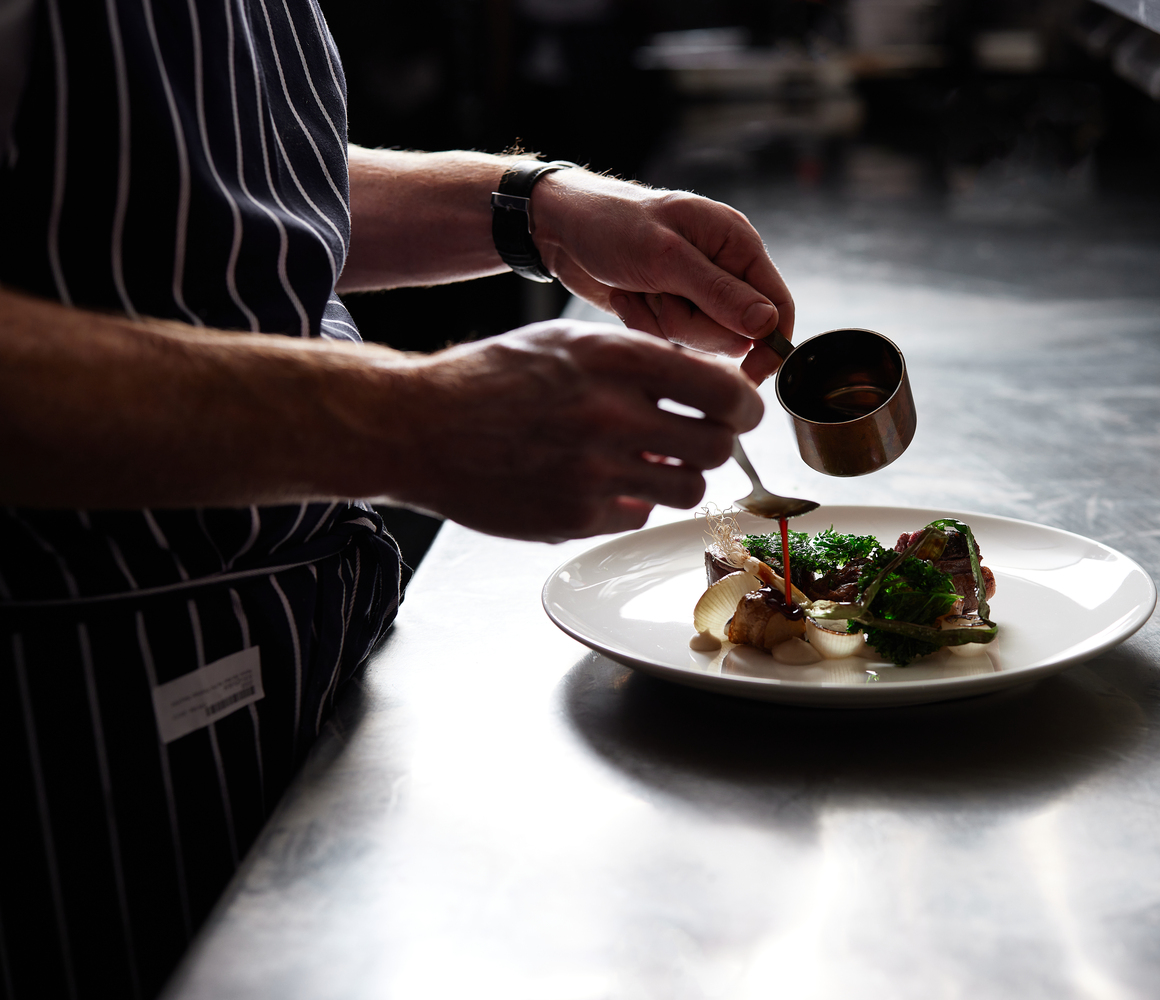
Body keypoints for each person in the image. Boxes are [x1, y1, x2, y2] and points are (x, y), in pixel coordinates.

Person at [0, 2, 793, 997]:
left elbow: (203, 195)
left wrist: (533, 209)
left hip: (286, 665)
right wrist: (408, 423)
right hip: (72, 732)